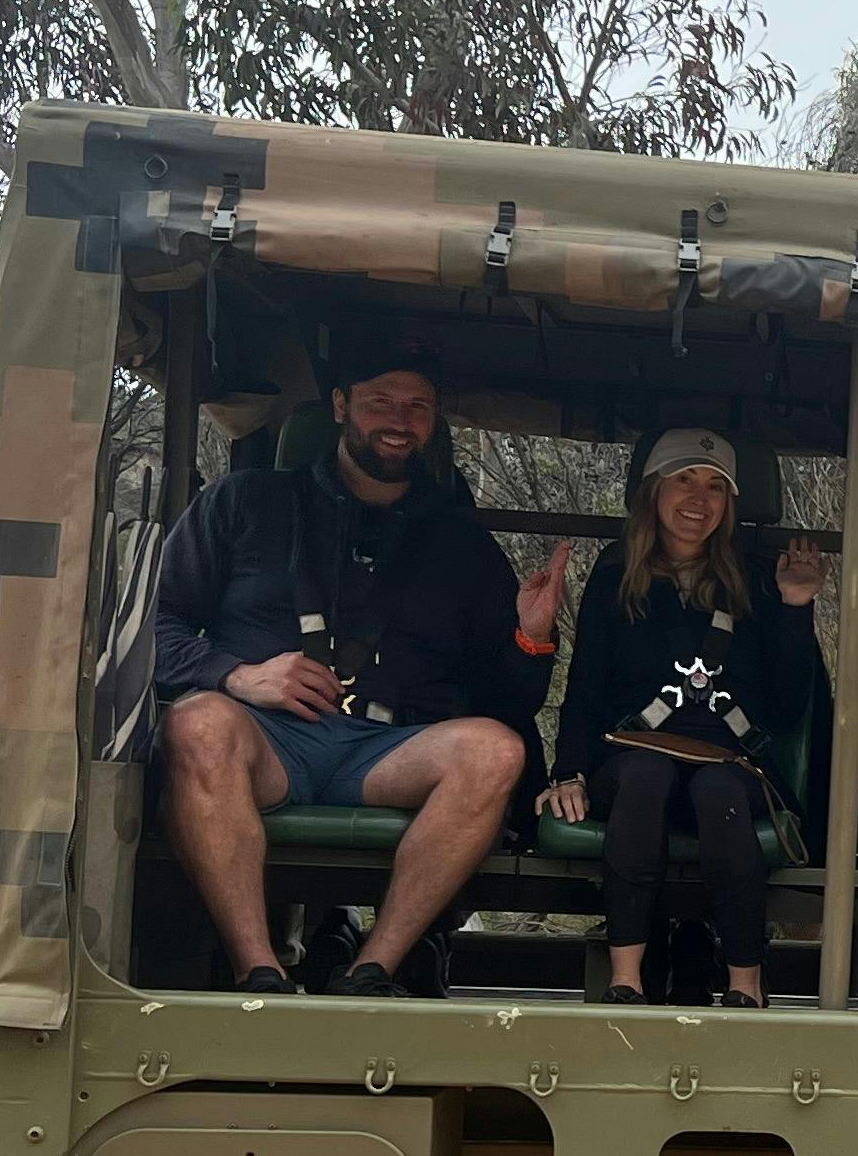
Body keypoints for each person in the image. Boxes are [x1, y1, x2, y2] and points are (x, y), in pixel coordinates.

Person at [153, 343, 557, 995]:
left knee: (494, 751)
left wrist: (532, 639)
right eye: (380, 402)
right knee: (196, 723)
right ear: (341, 406)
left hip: (390, 752)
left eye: (417, 407)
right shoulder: (241, 503)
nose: (399, 421)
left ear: (434, 422)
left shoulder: (465, 547)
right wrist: (237, 675)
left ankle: (373, 968)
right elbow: (150, 628)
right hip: (268, 743)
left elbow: (508, 699)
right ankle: (257, 972)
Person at [533, 429, 831, 1006]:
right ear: (654, 491)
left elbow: (789, 706)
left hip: (729, 760)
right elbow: (586, 686)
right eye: (685, 480)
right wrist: (568, 771)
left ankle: (746, 985)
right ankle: (626, 979)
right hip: (634, 756)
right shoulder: (616, 577)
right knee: (646, 777)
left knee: (718, 791)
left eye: (716, 486)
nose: (699, 498)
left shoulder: (759, 580)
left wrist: (796, 607)